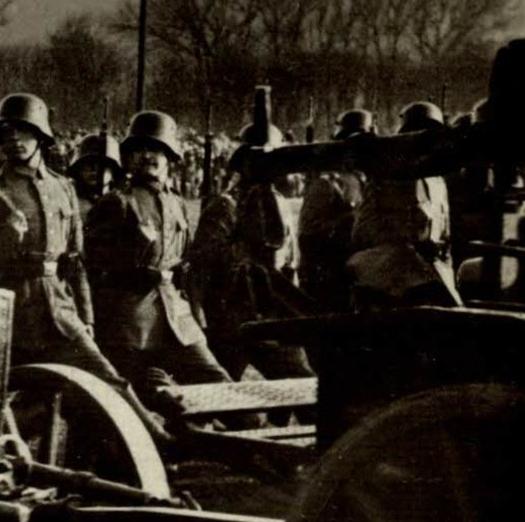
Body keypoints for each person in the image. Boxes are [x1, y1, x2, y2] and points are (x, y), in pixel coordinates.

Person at [0, 93, 171, 441]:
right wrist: (3, 239)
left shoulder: (63, 188)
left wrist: (86, 317)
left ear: (41, 138)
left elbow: (75, 262)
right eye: (7, 133)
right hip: (9, 312)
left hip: (59, 312)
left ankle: (156, 441)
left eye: (23, 131)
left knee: (107, 379)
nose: (14, 139)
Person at [85, 111, 233, 402]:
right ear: (127, 158)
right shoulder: (116, 203)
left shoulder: (177, 203)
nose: (146, 156)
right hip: (129, 324)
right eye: (138, 150)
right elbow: (91, 267)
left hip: (177, 320)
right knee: (137, 401)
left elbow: (185, 263)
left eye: (155, 149)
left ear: (169, 156)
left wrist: (197, 313)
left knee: (222, 387)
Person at [185, 121, 314, 379]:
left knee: (302, 383)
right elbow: (200, 267)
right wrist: (200, 317)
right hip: (231, 317)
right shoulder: (227, 205)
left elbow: (288, 262)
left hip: (272, 314)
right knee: (215, 393)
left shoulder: (280, 204)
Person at [346, 101, 460, 308]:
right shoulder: (391, 175)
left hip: (425, 268)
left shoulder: (437, 181)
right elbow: (366, 232)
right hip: (388, 267)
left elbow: (443, 232)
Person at [297, 109, 374, 312]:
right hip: (329, 277)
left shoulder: (364, 180)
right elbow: (307, 235)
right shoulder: (327, 183)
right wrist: (347, 220)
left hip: (357, 274)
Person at [66, 132, 123, 222]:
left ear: (114, 170)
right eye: (88, 163)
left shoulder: (123, 204)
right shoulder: (69, 203)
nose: (94, 169)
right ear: (78, 169)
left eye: (101, 163)